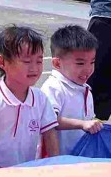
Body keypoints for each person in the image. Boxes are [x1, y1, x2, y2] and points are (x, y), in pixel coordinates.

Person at [0, 25, 59, 166]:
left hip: (27, 173)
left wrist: (57, 164)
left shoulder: (40, 98)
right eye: (27, 61)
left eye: (39, 61)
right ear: (2, 62)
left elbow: (50, 134)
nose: (34, 68)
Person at [43, 25, 103, 155]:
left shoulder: (85, 89)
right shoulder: (53, 87)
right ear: (57, 63)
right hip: (57, 160)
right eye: (80, 63)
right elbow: (49, 121)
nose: (88, 69)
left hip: (79, 157)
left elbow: (88, 121)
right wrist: (82, 124)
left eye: (92, 62)